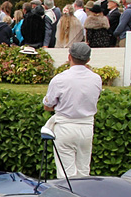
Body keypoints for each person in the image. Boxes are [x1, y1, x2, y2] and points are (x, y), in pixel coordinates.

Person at [42, 42, 101, 178]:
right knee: (83, 172)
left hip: (65, 126)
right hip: (86, 127)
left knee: (65, 175)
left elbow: (48, 105)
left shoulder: (60, 79)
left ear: (69, 57)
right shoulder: (96, 79)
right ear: (88, 60)